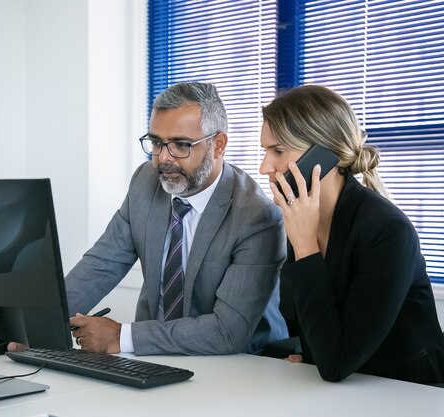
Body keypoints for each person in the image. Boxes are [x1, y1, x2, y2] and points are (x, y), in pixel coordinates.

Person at [65, 82, 288, 356]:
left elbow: (228, 332)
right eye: (157, 143)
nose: (163, 159)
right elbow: (102, 264)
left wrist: (120, 337)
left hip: (239, 366)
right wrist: (34, 323)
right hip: (153, 357)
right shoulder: (145, 182)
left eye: (181, 145)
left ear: (218, 145)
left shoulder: (256, 216)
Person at [259, 85, 444, 384]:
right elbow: (301, 326)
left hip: (412, 391)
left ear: (322, 156)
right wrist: (318, 352)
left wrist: (305, 248)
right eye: (265, 151)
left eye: (278, 151)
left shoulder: (387, 231)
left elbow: (336, 364)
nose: (265, 167)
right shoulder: (304, 216)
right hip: (353, 386)